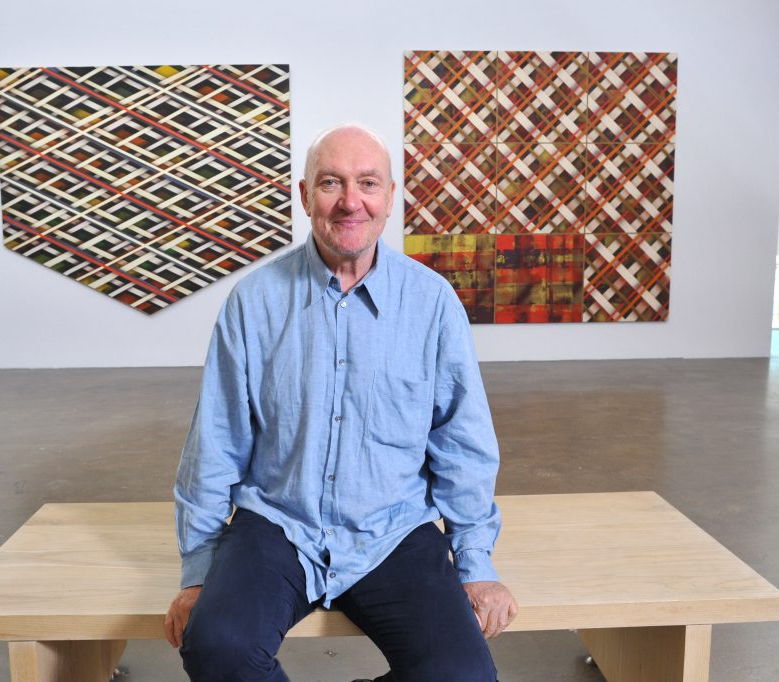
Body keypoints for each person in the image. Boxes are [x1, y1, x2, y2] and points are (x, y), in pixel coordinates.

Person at [164, 123, 517, 681]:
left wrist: (475, 564)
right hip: (278, 525)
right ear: (304, 196)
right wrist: (197, 573)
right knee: (217, 648)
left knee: (463, 677)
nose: (351, 202)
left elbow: (463, 442)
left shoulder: (432, 303)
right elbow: (216, 440)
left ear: (390, 198)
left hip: (393, 530)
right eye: (331, 183)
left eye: (368, 183)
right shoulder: (254, 301)